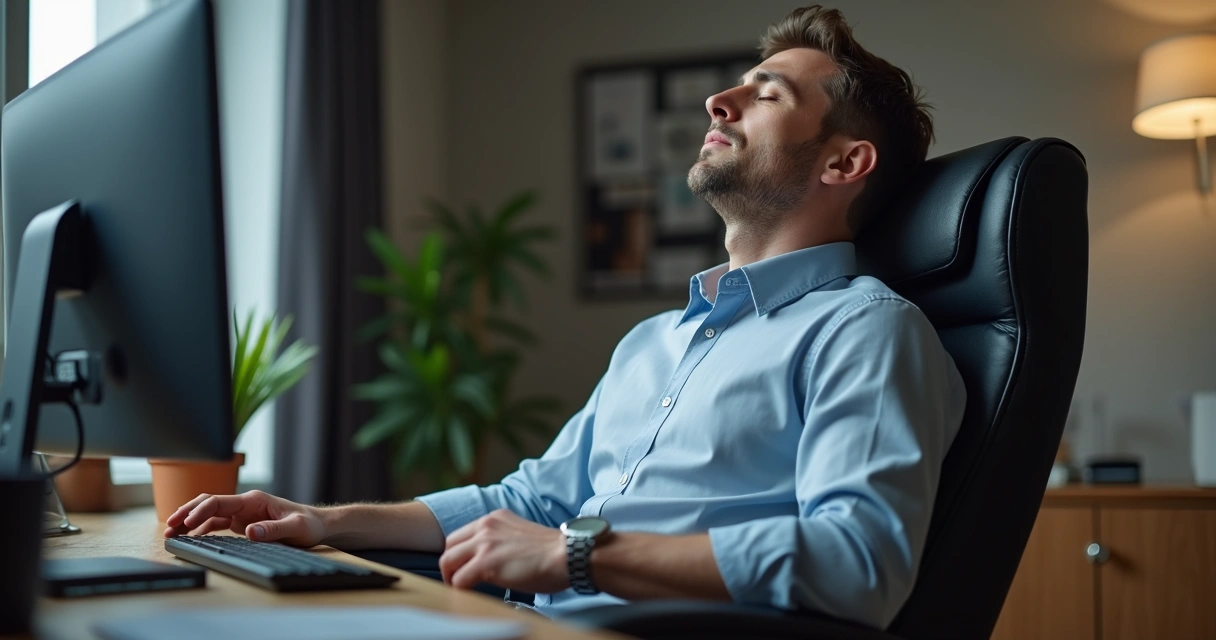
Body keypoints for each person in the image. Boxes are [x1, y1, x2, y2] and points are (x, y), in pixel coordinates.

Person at [165, 5, 965, 629]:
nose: (720, 100)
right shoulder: (657, 340)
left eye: (769, 94)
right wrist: (320, 521)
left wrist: (575, 557)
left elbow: (859, 565)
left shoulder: (865, 331)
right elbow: (540, 499)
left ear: (844, 162)